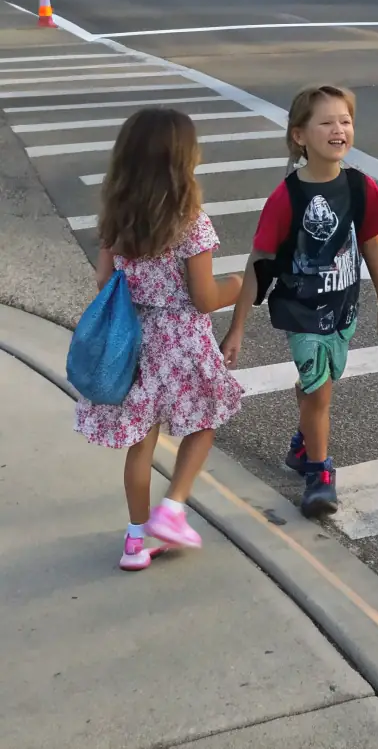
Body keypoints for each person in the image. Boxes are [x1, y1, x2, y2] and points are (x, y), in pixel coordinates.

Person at [74, 108, 244, 571]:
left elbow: (104, 279)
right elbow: (204, 297)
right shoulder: (191, 223)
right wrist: (237, 285)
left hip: (134, 341)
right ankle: (172, 509)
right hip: (182, 338)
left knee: (140, 444)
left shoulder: (117, 219)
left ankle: (135, 540)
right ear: (181, 161)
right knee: (203, 420)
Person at [221, 85, 378, 519]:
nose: (339, 129)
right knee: (318, 393)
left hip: (344, 308)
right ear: (300, 136)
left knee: (321, 384)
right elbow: (259, 262)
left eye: (346, 121)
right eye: (327, 122)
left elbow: (372, 246)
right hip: (302, 310)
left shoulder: (360, 187)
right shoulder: (287, 197)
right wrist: (237, 327)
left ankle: (303, 446)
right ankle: (319, 473)